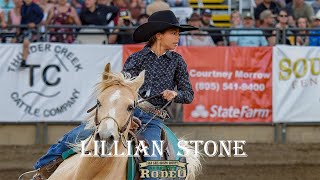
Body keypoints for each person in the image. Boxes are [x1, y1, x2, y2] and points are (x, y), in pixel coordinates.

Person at [32, 10, 196, 180]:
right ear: (159, 35)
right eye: (174, 33)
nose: (178, 38)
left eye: (177, 34)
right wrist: (127, 114)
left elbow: (188, 94)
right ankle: (41, 171)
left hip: (152, 120)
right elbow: (123, 88)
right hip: (124, 113)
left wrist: (175, 94)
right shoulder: (137, 58)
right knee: (74, 136)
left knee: (152, 162)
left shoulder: (177, 61)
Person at [19, 0, 44, 67]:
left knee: (26, 42)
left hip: (32, 29)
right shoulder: (23, 7)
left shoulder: (35, 7)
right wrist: (20, 28)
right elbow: (22, 18)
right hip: (24, 28)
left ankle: (23, 60)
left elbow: (41, 15)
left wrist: (34, 23)